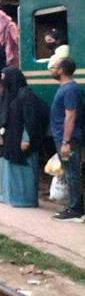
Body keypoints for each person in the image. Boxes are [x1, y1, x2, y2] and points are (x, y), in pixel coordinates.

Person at [0, 67, 46, 208]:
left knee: (22, 170)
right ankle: (6, 196)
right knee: (7, 168)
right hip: (8, 138)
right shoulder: (5, 95)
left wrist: (26, 137)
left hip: (20, 139)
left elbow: (31, 118)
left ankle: (24, 200)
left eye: (4, 77)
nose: (2, 81)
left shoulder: (26, 94)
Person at [49, 57, 84, 222]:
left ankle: (75, 210)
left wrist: (65, 142)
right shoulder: (67, 88)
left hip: (67, 140)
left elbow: (70, 117)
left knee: (71, 173)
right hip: (65, 139)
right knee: (71, 172)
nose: (52, 70)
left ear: (61, 70)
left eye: (54, 67)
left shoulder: (69, 89)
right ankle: (74, 207)